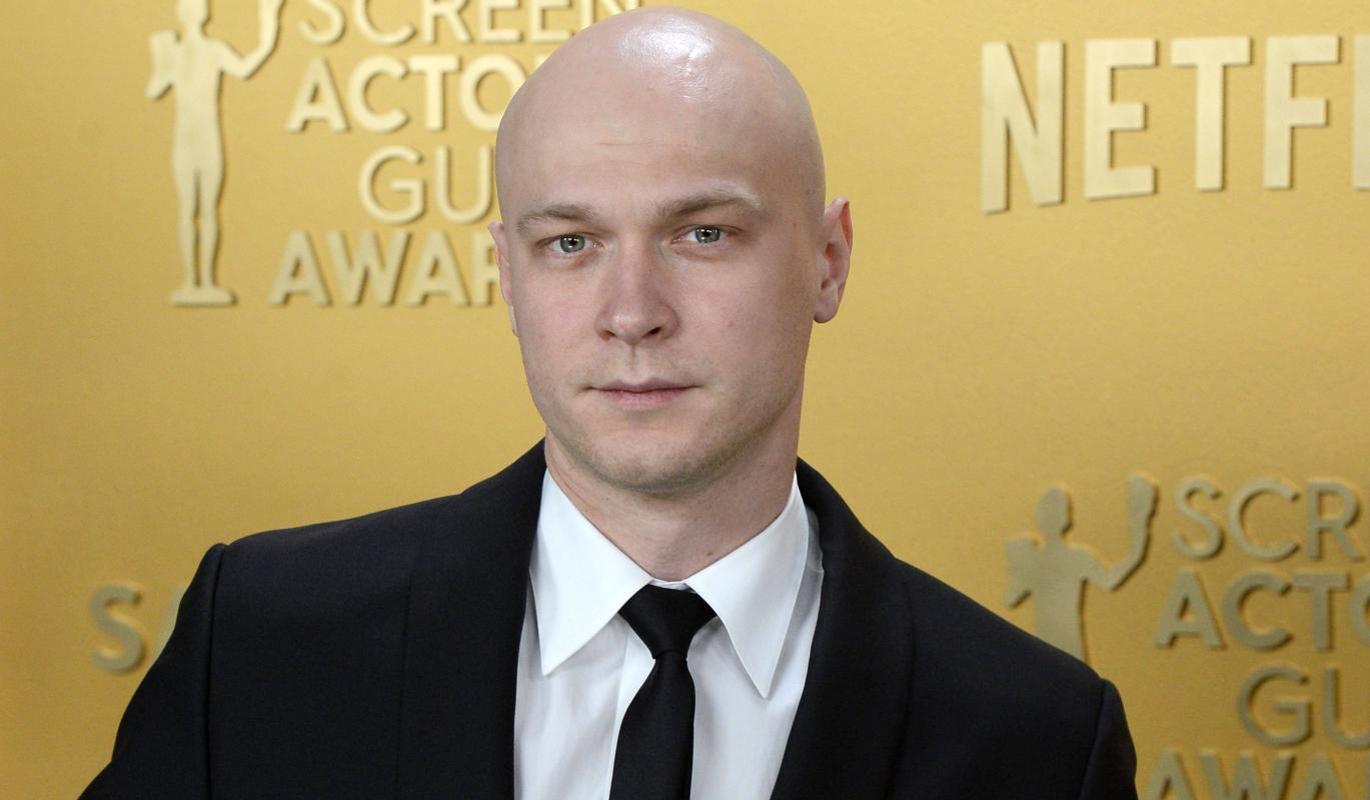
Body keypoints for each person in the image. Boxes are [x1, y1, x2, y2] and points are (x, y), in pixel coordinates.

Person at [83, 7, 1138, 799]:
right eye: (570, 243)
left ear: (828, 259)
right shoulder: (259, 644)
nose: (631, 312)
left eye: (703, 234)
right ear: (507, 274)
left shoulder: (1038, 740)